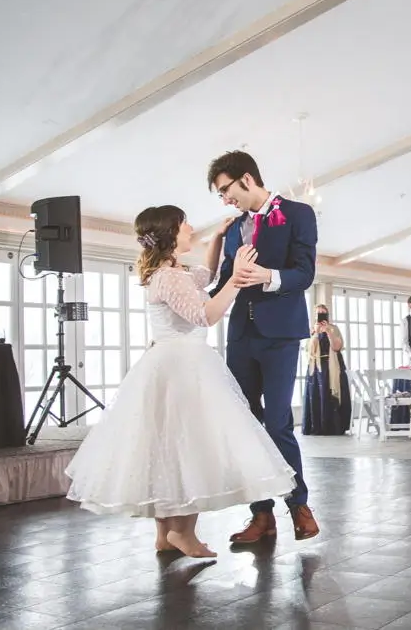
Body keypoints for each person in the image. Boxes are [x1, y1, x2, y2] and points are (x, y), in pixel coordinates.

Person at [65, 206, 296, 558]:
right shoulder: (171, 278)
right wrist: (237, 280)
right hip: (183, 367)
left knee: (167, 449)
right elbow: (204, 315)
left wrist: (218, 240)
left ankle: (164, 535)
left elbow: (208, 276)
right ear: (172, 231)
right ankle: (184, 533)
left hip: (168, 365)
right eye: (185, 222)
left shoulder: (172, 273)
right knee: (191, 447)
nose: (191, 227)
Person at [207, 151, 319, 543]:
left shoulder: (299, 213)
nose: (225, 199)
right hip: (241, 336)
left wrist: (268, 276)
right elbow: (223, 280)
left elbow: (304, 273)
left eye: (226, 190)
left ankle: (298, 506)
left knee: (276, 423)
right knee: (247, 426)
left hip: (281, 335)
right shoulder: (235, 227)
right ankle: (261, 516)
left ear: (248, 179)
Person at [302, 305, 352, 436]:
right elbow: (308, 350)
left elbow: (337, 347)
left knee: (331, 395)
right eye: (318, 313)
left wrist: (329, 332)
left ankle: (334, 426)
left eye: (324, 313)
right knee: (316, 395)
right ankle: (316, 426)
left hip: (333, 365)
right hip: (316, 368)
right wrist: (317, 334)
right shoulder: (311, 330)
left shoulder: (334, 328)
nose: (321, 316)